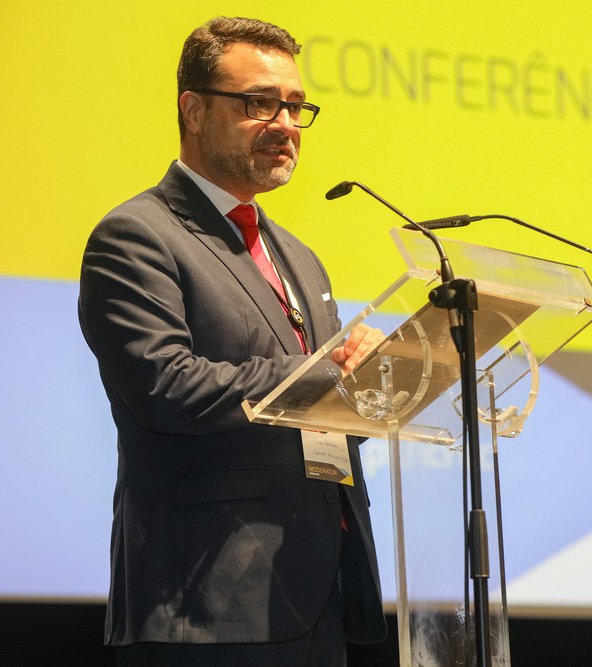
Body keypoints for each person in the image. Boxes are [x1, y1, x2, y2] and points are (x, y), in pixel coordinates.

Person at [78, 16, 387, 666]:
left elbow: (317, 408)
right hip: (207, 600)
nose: (286, 124)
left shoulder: (299, 257)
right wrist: (319, 371)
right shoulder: (138, 236)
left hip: (315, 596)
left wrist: (372, 387)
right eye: (259, 103)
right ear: (193, 109)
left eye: (297, 106)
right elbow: (164, 386)